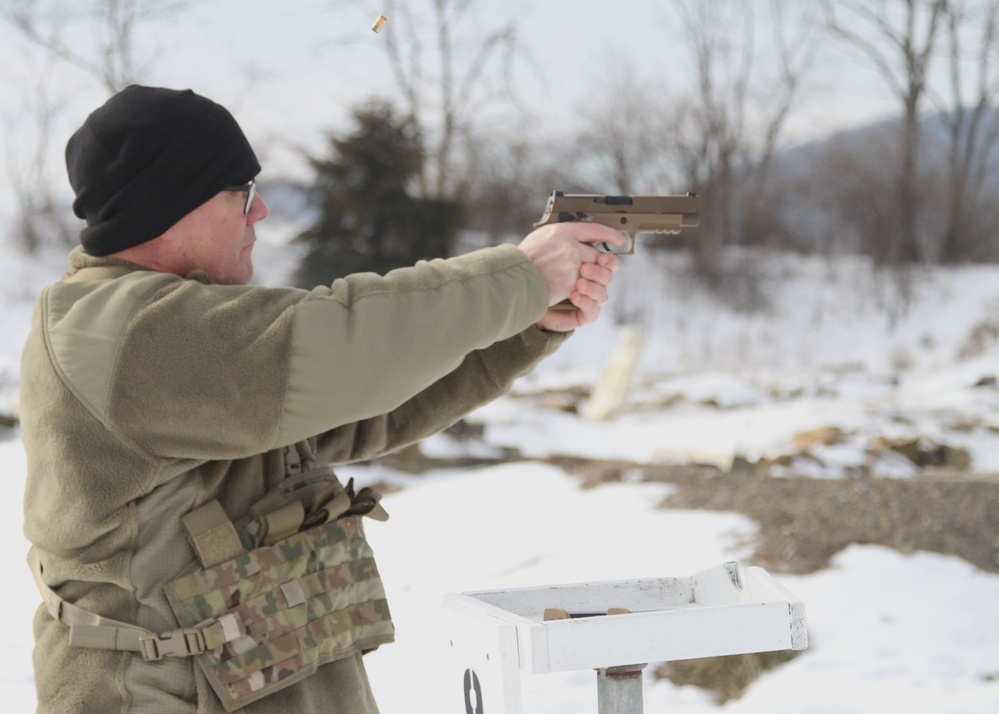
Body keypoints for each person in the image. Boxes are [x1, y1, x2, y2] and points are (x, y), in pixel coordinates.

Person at [20, 85, 622, 713]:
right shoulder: (122, 332)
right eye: (243, 196)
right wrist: (521, 277)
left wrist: (531, 322)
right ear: (176, 204)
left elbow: (367, 404)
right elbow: (341, 345)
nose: (261, 215)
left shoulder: (178, 327)